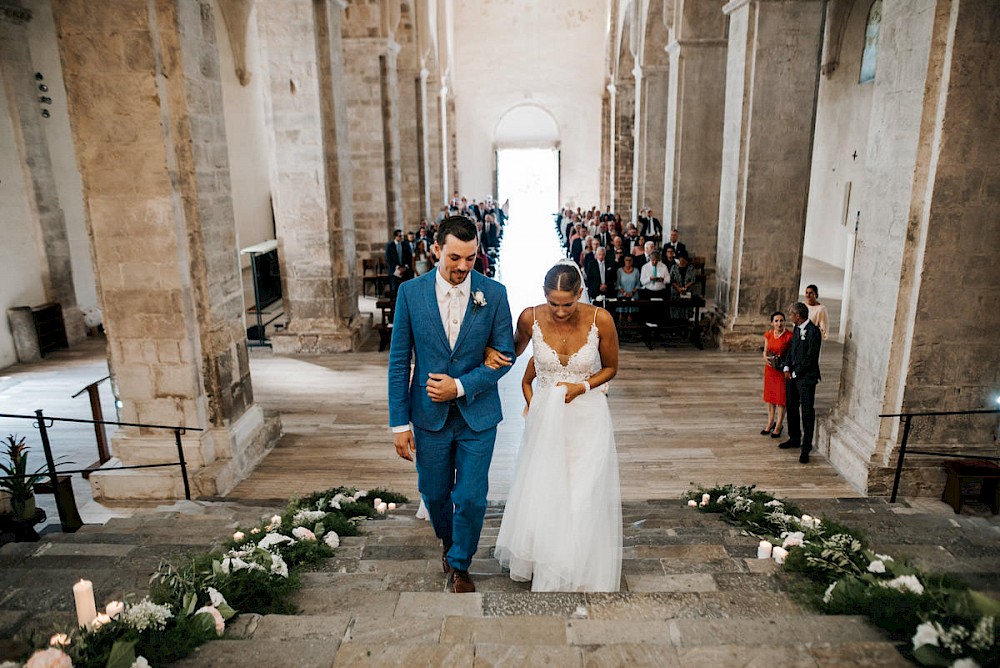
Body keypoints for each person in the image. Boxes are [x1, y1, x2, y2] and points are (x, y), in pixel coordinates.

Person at [387, 216, 516, 593]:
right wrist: (399, 424)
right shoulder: (410, 294)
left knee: (472, 497)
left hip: (478, 416)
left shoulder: (493, 294)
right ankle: (447, 539)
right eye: (454, 258)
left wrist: (460, 386)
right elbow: (399, 362)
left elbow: (504, 355)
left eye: (471, 259)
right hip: (428, 418)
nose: (462, 267)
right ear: (436, 250)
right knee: (434, 491)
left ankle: (461, 562)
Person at [494, 261, 622, 592]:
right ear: (544, 295)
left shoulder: (600, 320)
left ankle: (578, 566)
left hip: (588, 415)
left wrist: (584, 387)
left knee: (582, 492)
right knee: (547, 488)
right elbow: (509, 353)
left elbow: (610, 368)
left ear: (580, 294)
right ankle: (547, 559)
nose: (561, 311)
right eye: (554, 303)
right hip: (545, 419)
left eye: (568, 303)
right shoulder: (529, 318)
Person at [779, 302, 822, 464]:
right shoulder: (797, 328)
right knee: (791, 406)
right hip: (792, 376)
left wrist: (797, 373)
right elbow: (792, 349)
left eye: (791, 314)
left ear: (798, 315)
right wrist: (787, 367)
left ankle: (806, 448)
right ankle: (794, 437)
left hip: (806, 378)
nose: (789, 317)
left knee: (806, 412)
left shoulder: (813, 332)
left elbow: (811, 357)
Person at [761, 311, 792, 438]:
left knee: (780, 399)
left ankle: (779, 424)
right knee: (770, 398)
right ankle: (770, 422)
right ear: (772, 323)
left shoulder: (789, 336)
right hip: (770, 368)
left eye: (781, 320)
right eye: (776, 321)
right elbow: (765, 350)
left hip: (781, 369)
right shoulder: (769, 334)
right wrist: (765, 357)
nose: (779, 323)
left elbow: (791, 354)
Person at [385, 229, 412, 294]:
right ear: (395, 236)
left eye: (402, 236)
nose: (401, 237)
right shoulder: (390, 246)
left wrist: (405, 267)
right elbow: (388, 259)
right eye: (400, 236)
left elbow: (409, 257)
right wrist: (397, 267)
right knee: (395, 290)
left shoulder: (405, 244)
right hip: (394, 270)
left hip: (404, 270)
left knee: (406, 290)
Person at [616, 255, 640, 322]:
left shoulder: (636, 271)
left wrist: (632, 293)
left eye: (630, 260)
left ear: (632, 262)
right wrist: (624, 293)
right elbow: (618, 284)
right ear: (624, 261)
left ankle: (631, 330)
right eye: (626, 260)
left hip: (633, 294)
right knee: (621, 314)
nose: (628, 262)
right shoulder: (619, 270)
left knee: (631, 315)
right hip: (622, 294)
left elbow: (638, 284)